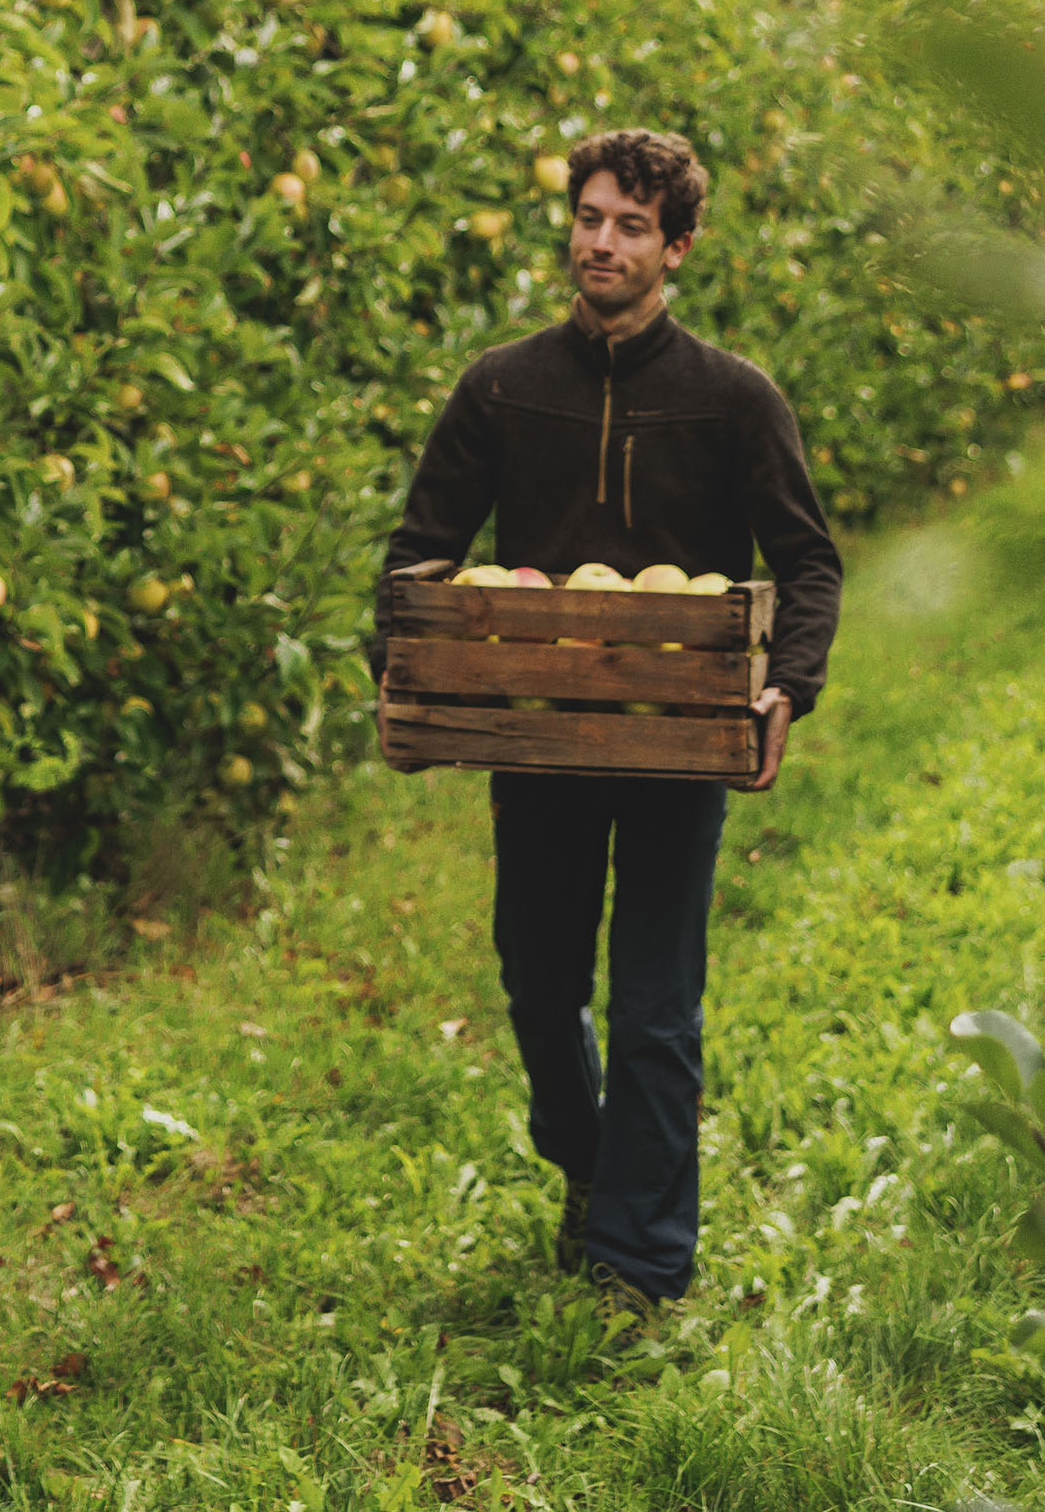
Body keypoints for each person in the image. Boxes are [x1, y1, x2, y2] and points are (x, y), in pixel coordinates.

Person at [374, 126, 842, 1312]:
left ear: (675, 247)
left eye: (631, 226)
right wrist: (407, 667)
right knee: (538, 989)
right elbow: (420, 550)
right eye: (588, 217)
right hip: (535, 734)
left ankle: (640, 1264)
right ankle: (590, 1165)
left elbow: (806, 560)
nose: (601, 241)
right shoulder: (500, 385)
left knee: (652, 1007)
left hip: (676, 737)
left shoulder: (731, 399)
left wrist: (785, 683)